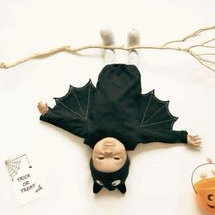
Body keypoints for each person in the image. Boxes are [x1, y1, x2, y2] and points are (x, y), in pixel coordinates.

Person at [37, 29, 201, 194]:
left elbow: (69, 124)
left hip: (105, 85)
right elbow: (158, 135)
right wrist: (183, 137)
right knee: (132, 67)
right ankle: (134, 49)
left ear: (92, 156)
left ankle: (109, 47)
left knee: (108, 66)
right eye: (116, 158)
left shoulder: (90, 134)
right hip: (131, 89)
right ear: (126, 158)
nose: (108, 151)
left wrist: (49, 114)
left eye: (101, 157)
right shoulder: (132, 137)